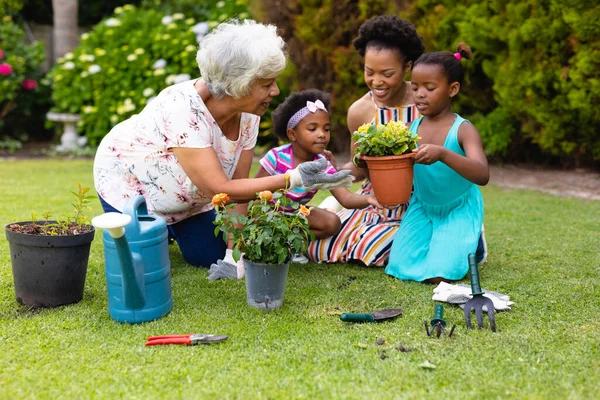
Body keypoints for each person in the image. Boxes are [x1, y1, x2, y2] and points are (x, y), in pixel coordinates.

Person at [93, 20, 353, 270]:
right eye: (266, 84)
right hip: (130, 188)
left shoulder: (249, 114)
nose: (275, 91)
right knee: (145, 262)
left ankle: (172, 227)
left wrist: (232, 254)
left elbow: (239, 189)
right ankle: (162, 229)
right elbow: (219, 187)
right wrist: (294, 177)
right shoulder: (182, 108)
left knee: (210, 255)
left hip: (188, 199)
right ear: (238, 85)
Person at [308, 15, 424, 266]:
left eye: (387, 73)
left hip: (421, 200)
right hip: (378, 200)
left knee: (378, 249)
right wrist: (333, 172)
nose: (376, 81)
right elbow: (360, 167)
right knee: (324, 249)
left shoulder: (423, 103)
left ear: (407, 67)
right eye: (369, 72)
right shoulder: (360, 110)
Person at [385, 43, 488, 283]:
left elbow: (482, 174)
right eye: (416, 87)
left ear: (452, 89)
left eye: (429, 88)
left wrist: (443, 154)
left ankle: (476, 243)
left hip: (458, 208)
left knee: (441, 275)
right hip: (423, 206)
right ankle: (456, 243)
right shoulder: (411, 129)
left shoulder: (463, 129)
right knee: (398, 267)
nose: (420, 94)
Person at [255, 89, 381, 245]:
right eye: (312, 129)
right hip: (267, 215)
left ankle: (291, 244)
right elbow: (254, 192)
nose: (322, 134)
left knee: (332, 222)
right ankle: (272, 239)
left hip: (296, 215)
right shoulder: (276, 156)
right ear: (292, 134)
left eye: (326, 129)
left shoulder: (323, 164)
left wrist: (369, 198)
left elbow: (346, 198)